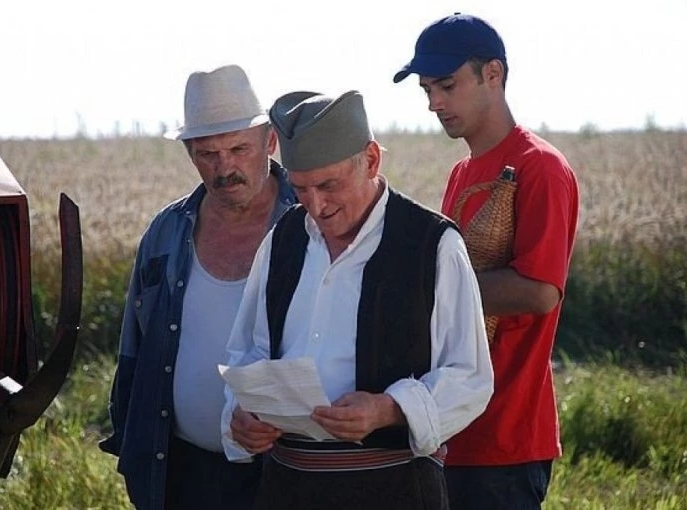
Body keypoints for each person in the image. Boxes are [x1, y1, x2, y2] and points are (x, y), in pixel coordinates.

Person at [220, 89, 493, 510]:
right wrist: (241, 416)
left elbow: (469, 375)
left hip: (395, 490)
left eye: (328, 185)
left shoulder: (431, 244)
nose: (315, 205)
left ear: (370, 159)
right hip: (285, 490)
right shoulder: (283, 241)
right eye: (302, 188)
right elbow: (250, 350)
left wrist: (389, 409)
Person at [393, 13, 580, 509]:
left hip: (508, 438)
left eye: (447, 85)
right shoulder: (462, 172)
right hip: (451, 427)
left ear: (492, 74)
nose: (434, 103)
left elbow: (541, 291)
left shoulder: (541, 166)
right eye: (427, 90)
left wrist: (423, 286)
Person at [99, 64, 297, 510]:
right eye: (208, 153)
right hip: (181, 471)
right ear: (190, 152)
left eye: (238, 148)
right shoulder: (167, 231)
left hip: (286, 470)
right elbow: (134, 345)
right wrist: (130, 445)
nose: (225, 167)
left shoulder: (309, 224)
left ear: (269, 142)